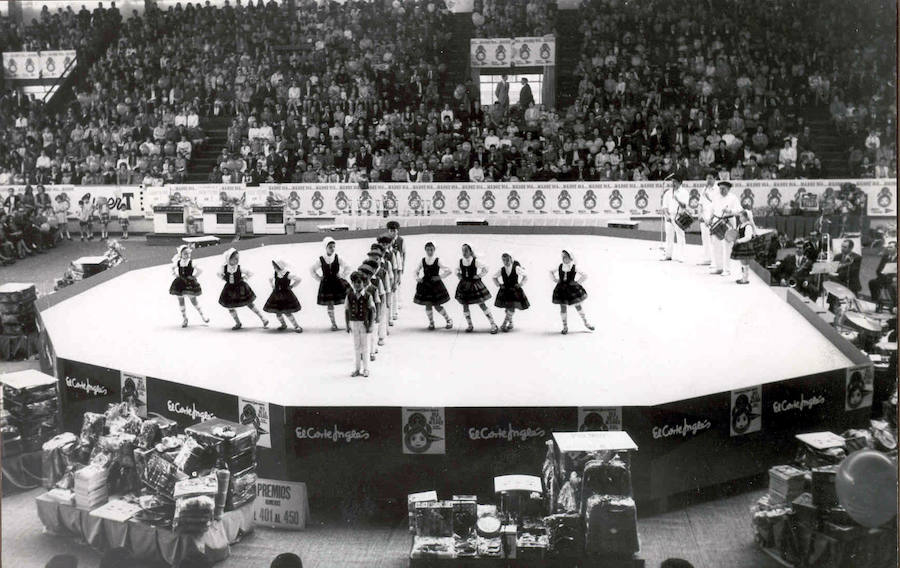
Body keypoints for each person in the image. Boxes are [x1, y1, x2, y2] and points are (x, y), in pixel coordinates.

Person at [218, 248, 269, 330]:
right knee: (230, 306)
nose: (237, 260)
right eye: (235, 259)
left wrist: (244, 278)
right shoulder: (224, 268)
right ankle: (238, 323)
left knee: (249, 303)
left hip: (240, 288)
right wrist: (225, 279)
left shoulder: (239, 268)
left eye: (238, 258)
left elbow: (250, 273)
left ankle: (263, 318)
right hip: (229, 289)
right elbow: (219, 274)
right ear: (229, 259)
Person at [455, 243, 499, 334]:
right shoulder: (461, 261)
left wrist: (479, 276)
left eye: (466, 250)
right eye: (463, 250)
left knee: (481, 304)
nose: (464, 252)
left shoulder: (475, 261)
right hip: (464, 286)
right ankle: (470, 325)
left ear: (471, 251)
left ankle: (493, 324)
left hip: (474, 285)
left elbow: (486, 268)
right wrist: (458, 274)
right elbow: (456, 269)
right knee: (465, 305)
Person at [310, 237, 350, 331]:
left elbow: (348, 267)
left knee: (347, 301)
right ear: (326, 247)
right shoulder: (321, 259)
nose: (332, 249)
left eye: (334, 247)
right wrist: (319, 278)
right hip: (327, 285)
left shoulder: (338, 257)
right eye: (330, 247)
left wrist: (342, 275)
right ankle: (334, 324)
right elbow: (312, 269)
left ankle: (349, 323)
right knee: (330, 305)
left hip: (338, 284)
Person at [551, 250, 594, 334]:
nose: (564, 259)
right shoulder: (560, 266)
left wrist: (578, 282)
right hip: (561, 289)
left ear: (571, 258)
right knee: (563, 307)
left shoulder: (574, 267)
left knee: (578, 305)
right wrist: (555, 280)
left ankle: (586, 323)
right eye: (563, 257)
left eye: (566, 257)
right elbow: (551, 271)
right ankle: (565, 326)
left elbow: (585, 275)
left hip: (572, 289)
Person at [413, 242, 453, 330]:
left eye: (431, 249)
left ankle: (448, 319)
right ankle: (431, 322)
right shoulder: (423, 260)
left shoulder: (437, 260)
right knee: (428, 304)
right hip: (425, 286)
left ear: (434, 250)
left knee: (437, 305)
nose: (430, 252)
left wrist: (439, 277)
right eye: (428, 250)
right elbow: (415, 271)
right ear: (425, 250)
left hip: (435, 286)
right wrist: (417, 278)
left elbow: (449, 270)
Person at [169, 245, 209, 327]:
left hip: (189, 283)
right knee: (181, 301)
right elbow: (172, 267)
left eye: (188, 253)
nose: (187, 255)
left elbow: (200, 270)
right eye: (185, 253)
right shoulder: (178, 262)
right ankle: (184, 319)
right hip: (179, 283)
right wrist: (175, 275)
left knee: (194, 301)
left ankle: (203, 316)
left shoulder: (191, 262)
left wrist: (194, 276)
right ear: (181, 254)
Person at [345, 271, 375, 378]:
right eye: (354, 282)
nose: (357, 285)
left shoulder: (368, 296)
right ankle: (357, 369)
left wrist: (371, 325)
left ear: (364, 283)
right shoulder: (349, 296)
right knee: (356, 346)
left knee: (365, 347)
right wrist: (347, 324)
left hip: (364, 324)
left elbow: (372, 311)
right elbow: (347, 310)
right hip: (354, 323)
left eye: (359, 282)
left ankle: (366, 369)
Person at [492, 253, 530, 332]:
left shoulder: (516, 268)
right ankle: (511, 323)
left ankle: (504, 324)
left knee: (511, 308)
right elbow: (494, 277)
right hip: (505, 291)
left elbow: (525, 275)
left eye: (507, 260)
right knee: (507, 308)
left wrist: (520, 284)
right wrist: (499, 284)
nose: (506, 262)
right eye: (504, 260)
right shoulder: (502, 269)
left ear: (511, 259)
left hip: (514, 291)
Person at [711, 181, 742, 276]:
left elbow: (739, 210)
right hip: (717, 221)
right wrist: (709, 219)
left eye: (723, 189)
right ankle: (719, 267)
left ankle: (727, 269)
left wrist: (730, 210)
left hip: (728, 222)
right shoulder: (716, 197)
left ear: (728, 189)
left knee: (727, 246)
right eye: (720, 188)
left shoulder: (733, 198)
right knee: (716, 245)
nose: (721, 190)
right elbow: (712, 210)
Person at [264, 260, 303, 332]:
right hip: (276, 295)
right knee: (278, 312)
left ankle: (296, 326)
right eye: (274, 267)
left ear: (279, 266)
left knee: (287, 312)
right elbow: (270, 279)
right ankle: (283, 325)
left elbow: (299, 279)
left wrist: (292, 286)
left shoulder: (288, 274)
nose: (274, 268)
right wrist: (272, 285)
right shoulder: (275, 273)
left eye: (275, 267)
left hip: (286, 295)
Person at [660, 173, 689, 262]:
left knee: (680, 236)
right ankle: (668, 254)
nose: (673, 184)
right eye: (672, 181)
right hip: (670, 216)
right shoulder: (668, 192)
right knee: (669, 236)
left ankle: (681, 255)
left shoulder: (684, 192)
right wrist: (667, 215)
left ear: (680, 182)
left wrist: (677, 199)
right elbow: (664, 206)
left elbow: (684, 206)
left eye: (675, 182)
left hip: (679, 216)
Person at [730, 210, 757, 285]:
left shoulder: (748, 226)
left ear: (746, 217)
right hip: (740, 245)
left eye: (742, 216)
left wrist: (739, 241)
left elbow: (748, 237)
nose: (740, 218)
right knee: (742, 263)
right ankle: (743, 277)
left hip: (745, 246)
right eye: (740, 216)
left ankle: (745, 279)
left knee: (745, 262)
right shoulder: (740, 225)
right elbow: (737, 233)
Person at [869, 239, 897, 305]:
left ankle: (895, 304)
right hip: (884, 278)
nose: (888, 249)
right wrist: (883, 274)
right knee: (872, 282)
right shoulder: (885, 257)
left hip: (894, 279)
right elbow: (878, 270)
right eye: (888, 247)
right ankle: (876, 302)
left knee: (892, 286)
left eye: (891, 247)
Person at [697, 174, 716, 266]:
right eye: (707, 178)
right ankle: (707, 258)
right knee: (705, 238)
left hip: (713, 216)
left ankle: (715, 260)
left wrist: (708, 197)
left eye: (710, 178)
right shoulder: (704, 189)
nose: (708, 180)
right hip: (704, 216)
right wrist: (699, 214)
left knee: (714, 239)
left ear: (715, 179)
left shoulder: (717, 189)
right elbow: (700, 203)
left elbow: (717, 203)